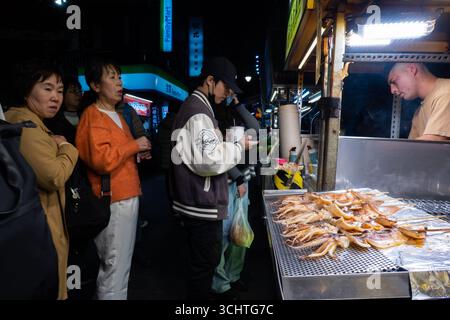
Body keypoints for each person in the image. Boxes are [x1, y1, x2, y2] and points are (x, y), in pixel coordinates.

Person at [169, 56, 254, 300]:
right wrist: (239, 146)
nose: (227, 93)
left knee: (202, 267)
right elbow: (210, 160)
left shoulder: (201, 109)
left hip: (197, 204)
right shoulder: (198, 113)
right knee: (203, 269)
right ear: (209, 80)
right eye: (225, 87)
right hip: (200, 206)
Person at [75, 58, 151, 300]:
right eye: (112, 77)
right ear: (95, 86)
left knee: (120, 266)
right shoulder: (92, 115)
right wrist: (133, 145)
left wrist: (138, 151)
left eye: (119, 77)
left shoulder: (116, 113)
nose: (119, 83)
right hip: (113, 199)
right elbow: (101, 160)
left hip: (127, 194)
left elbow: (120, 153)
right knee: (114, 266)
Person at [5, 59, 79, 299]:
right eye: (47, 88)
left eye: (59, 90)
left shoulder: (33, 123)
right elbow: (54, 176)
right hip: (38, 237)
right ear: (27, 90)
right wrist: (67, 147)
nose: (55, 97)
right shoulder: (24, 125)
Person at [211, 94, 260, 299]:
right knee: (222, 236)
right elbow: (217, 155)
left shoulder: (238, 117)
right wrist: (237, 178)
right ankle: (220, 284)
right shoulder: (211, 119)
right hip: (224, 183)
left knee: (239, 233)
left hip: (243, 182)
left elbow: (255, 128)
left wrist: (239, 105)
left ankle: (233, 275)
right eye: (227, 90)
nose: (228, 95)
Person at [387, 63, 450, 140]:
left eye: (394, 81)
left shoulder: (446, 92)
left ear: (412, 69)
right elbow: (414, 146)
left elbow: (434, 142)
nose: (392, 90)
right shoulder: (418, 112)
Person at [45, 77, 82, 144]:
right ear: (63, 94)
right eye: (73, 91)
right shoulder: (54, 120)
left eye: (79, 91)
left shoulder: (86, 115)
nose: (78, 94)